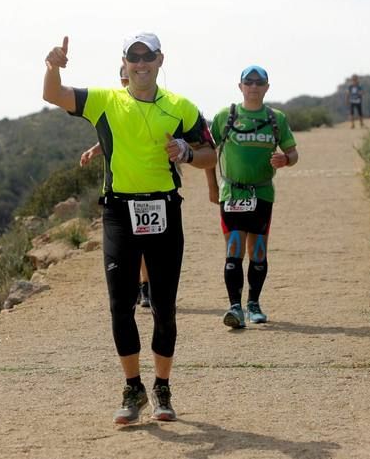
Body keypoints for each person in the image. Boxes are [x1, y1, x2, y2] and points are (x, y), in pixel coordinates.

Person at [44, 32, 216, 424]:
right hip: (120, 212)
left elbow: (209, 154)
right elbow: (54, 95)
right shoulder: (106, 100)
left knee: (164, 307)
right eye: (134, 57)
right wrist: (52, 66)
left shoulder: (181, 107)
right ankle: (133, 386)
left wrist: (188, 153)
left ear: (160, 60)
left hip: (164, 209)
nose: (141, 63)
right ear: (125, 62)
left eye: (148, 56)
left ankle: (162, 387)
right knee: (120, 306)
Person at [205, 65, 298, 329]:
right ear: (240, 86)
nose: (254, 87)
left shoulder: (276, 118)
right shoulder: (227, 116)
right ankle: (235, 307)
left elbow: (293, 153)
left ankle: (254, 304)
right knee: (234, 248)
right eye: (249, 82)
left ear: (267, 87)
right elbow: (209, 153)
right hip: (232, 192)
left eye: (259, 83)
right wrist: (212, 187)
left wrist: (286, 159)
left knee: (257, 252)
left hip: (262, 192)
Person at [79, 65, 151, 308]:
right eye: (122, 80)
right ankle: (141, 286)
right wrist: (93, 149)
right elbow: (111, 137)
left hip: (147, 187)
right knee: (128, 243)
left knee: (142, 240)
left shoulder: (149, 105)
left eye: (126, 79)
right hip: (116, 189)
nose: (124, 84)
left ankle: (147, 286)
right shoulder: (116, 105)